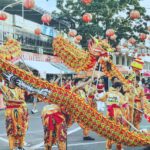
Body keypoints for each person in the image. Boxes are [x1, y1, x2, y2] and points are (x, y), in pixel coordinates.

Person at [1, 81, 28, 150]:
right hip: (9, 113)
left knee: (21, 129)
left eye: (13, 80)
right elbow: (6, 100)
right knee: (10, 130)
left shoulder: (19, 89)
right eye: (10, 80)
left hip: (20, 113)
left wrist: (10, 100)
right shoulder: (4, 88)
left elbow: (22, 101)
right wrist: (14, 101)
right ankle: (11, 147)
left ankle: (20, 145)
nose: (11, 82)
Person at [98, 82, 125, 150]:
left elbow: (101, 99)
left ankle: (108, 147)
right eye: (120, 88)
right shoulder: (119, 94)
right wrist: (124, 114)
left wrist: (97, 96)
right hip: (117, 113)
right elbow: (123, 104)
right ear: (118, 88)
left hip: (109, 112)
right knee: (119, 130)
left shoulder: (108, 93)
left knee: (110, 129)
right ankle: (119, 147)